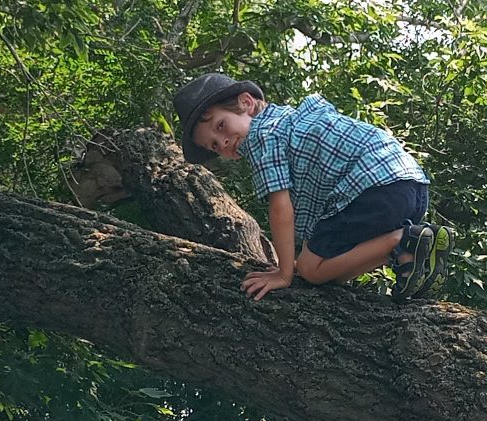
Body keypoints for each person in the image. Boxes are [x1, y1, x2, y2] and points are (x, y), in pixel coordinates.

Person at [174, 72, 448, 301]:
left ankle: (401, 241)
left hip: (372, 187)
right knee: (323, 273)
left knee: (310, 269)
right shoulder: (288, 120)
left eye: (221, 126)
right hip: (410, 184)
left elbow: (281, 209)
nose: (222, 143)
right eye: (213, 145)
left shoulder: (260, 137)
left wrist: (283, 273)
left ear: (247, 102)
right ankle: (409, 255)